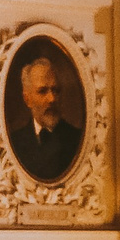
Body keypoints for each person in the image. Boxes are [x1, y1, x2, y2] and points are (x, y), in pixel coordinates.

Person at [9, 52, 84, 181]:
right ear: (27, 99)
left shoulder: (78, 140)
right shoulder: (13, 143)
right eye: (42, 91)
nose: (52, 99)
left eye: (56, 90)